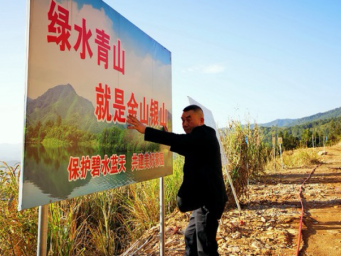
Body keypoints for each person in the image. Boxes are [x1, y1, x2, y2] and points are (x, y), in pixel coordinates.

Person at [127, 104, 227, 256]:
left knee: (205, 246)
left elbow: (182, 141)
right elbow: (184, 145)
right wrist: (167, 139)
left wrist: (145, 130)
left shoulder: (204, 133)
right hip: (203, 199)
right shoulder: (199, 139)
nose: (185, 124)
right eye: (182, 120)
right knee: (190, 236)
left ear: (201, 120)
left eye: (189, 119)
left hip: (209, 202)